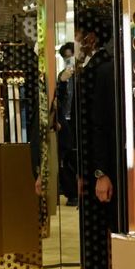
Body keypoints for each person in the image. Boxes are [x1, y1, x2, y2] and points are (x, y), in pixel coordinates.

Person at [73, 6, 117, 269]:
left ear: (90, 37)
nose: (75, 41)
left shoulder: (102, 69)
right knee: (95, 236)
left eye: (78, 35)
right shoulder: (92, 68)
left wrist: (100, 172)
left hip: (100, 170)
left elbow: (100, 124)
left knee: (99, 235)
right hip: (92, 167)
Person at [53, 41, 78, 206]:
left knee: (74, 155)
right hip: (65, 120)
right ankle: (71, 191)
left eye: (71, 57)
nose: (69, 61)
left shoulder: (82, 74)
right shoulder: (62, 75)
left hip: (77, 119)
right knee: (66, 155)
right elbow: (59, 98)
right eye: (66, 58)